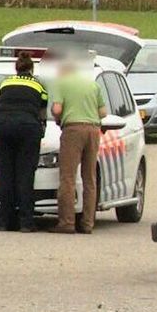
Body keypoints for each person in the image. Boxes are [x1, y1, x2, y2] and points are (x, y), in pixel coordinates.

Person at [48, 57, 106, 235]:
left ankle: (67, 222)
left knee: (67, 177)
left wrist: (57, 116)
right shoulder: (92, 85)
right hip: (93, 130)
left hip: (73, 130)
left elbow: (57, 109)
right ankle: (88, 223)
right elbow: (103, 112)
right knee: (89, 178)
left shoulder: (61, 83)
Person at [0, 51, 47, 233]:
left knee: (5, 174)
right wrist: (41, 130)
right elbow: (42, 112)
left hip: (2, 127)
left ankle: (5, 222)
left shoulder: (5, 83)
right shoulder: (39, 85)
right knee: (25, 174)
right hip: (27, 127)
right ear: (31, 68)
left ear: (16, 68)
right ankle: (26, 222)